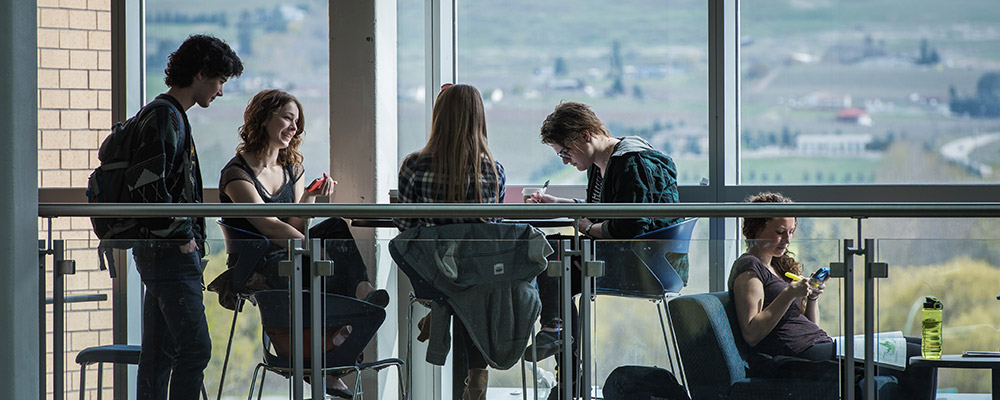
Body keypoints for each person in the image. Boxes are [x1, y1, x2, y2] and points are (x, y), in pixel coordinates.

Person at [215, 88, 387, 398]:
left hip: (291, 254)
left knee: (333, 226)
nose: (294, 128)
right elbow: (268, 226)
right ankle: (332, 355)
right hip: (258, 264)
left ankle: (361, 296)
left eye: (297, 121)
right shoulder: (236, 173)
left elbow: (295, 226)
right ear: (264, 118)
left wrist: (308, 199)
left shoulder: (292, 169)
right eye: (287, 118)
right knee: (323, 262)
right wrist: (312, 249)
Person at [526, 101, 683, 398]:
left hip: (642, 262)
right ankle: (561, 350)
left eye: (565, 152)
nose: (564, 160)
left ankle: (561, 353)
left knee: (552, 259)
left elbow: (630, 226)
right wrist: (560, 205)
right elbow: (604, 213)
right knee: (554, 255)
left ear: (585, 135)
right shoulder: (601, 166)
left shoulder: (630, 162)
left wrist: (586, 228)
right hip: (621, 255)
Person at [729, 192, 936, 399]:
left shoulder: (777, 265)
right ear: (756, 229)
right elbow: (751, 334)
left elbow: (810, 324)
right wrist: (789, 293)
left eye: (791, 231)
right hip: (799, 355)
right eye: (780, 232)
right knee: (915, 355)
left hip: (819, 343)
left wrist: (812, 298)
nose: (788, 239)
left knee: (919, 346)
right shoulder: (750, 268)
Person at [127, 34, 242, 400]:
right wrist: (182, 237)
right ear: (201, 73)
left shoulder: (168, 115)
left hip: (162, 252)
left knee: (159, 354)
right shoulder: (165, 118)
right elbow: (148, 191)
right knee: (195, 349)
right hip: (169, 254)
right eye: (220, 81)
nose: (221, 91)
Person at [394, 84, 505, 400]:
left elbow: (405, 227)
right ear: (479, 119)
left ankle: (442, 306)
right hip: (477, 278)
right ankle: (477, 371)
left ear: (438, 117)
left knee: (452, 286)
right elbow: (490, 232)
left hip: (432, 275)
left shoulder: (414, 165)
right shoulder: (494, 171)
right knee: (470, 288)